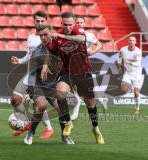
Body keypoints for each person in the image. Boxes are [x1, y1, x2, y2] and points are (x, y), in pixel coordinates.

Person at [42, 12, 104, 144]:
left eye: (70, 25)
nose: (68, 27)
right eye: (65, 25)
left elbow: (81, 39)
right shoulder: (57, 37)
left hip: (83, 72)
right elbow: (50, 52)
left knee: (90, 104)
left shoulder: (78, 30)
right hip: (67, 71)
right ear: (61, 23)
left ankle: (96, 129)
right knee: (60, 92)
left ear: (74, 24)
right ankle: (68, 121)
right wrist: (45, 65)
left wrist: (61, 35)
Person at [23, 25, 75, 145]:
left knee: (62, 107)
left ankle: (64, 136)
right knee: (42, 105)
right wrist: (30, 88)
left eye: (45, 34)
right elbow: (31, 73)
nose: (43, 37)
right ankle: (31, 133)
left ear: (51, 34)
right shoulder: (37, 51)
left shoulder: (61, 48)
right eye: (40, 35)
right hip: (38, 86)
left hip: (53, 86)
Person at [10, 11, 54, 139]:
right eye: (37, 21)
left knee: (39, 103)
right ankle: (28, 122)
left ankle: (49, 128)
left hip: (41, 76)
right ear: (33, 21)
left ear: (46, 21)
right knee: (14, 99)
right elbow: (30, 55)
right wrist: (19, 60)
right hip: (30, 74)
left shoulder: (49, 37)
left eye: (42, 21)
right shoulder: (30, 37)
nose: (40, 23)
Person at [70, 16, 107, 121]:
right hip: (71, 65)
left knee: (82, 91)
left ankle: (76, 110)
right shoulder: (70, 35)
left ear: (84, 24)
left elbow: (99, 45)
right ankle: (100, 99)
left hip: (83, 65)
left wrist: (92, 52)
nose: (79, 24)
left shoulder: (89, 35)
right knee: (76, 89)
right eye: (77, 22)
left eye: (81, 22)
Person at [117, 36, 142, 115]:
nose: (131, 42)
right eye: (130, 40)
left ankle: (137, 108)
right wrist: (120, 67)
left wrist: (129, 62)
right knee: (124, 90)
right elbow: (119, 59)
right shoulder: (123, 50)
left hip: (136, 73)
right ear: (128, 41)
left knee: (136, 93)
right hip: (127, 72)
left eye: (133, 40)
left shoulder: (138, 51)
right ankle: (131, 87)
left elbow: (138, 64)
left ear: (135, 42)